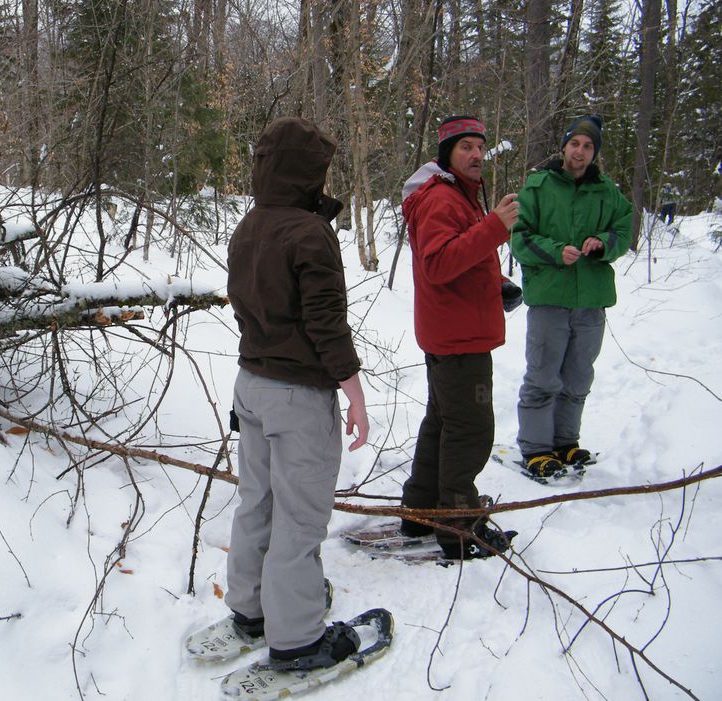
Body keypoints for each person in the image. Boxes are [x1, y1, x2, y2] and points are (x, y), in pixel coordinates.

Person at [225, 117, 370, 669]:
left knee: (256, 502)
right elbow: (324, 322)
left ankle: (252, 609)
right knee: (300, 518)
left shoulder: (251, 224)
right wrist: (353, 390)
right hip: (296, 395)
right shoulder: (308, 232)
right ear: (307, 171)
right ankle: (299, 639)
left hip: (252, 386)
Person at [399, 115, 519, 560]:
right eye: (465, 146)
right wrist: (493, 228)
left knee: (443, 424)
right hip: (459, 340)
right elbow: (438, 264)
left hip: (451, 330)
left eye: (480, 147)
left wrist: (495, 282)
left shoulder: (454, 197)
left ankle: (421, 511)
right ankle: (458, 527)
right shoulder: (443, 200)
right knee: (469, 431)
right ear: (447, 152)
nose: (475, 155)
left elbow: (457, 259)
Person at [512, 116, 633, 477]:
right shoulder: (538, 186)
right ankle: (536, 449)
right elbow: (520, 238)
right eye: (575, 143)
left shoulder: (607, 192)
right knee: (543, 377)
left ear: (594, 153)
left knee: (578, 377)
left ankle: (566, 443)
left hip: (591, 299)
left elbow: (624, 228)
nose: (580, 151)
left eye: (588, 146)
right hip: (550, 297)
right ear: (564, 146)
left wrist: (603, 244)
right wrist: (555, 250)